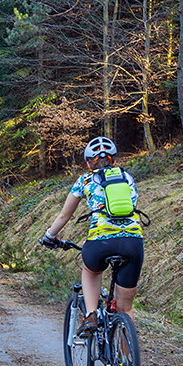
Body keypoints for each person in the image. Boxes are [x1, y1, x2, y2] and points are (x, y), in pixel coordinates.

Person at [40, 136, 144, 334]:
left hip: (100, 243)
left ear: (89, 162)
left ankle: (91, 315)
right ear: (114, 159)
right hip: (132, 242)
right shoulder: (127, 177)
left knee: (91, 271)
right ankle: (128, 362)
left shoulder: (84, 180)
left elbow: (64, 215)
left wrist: (49, 236)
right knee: (126, 308)